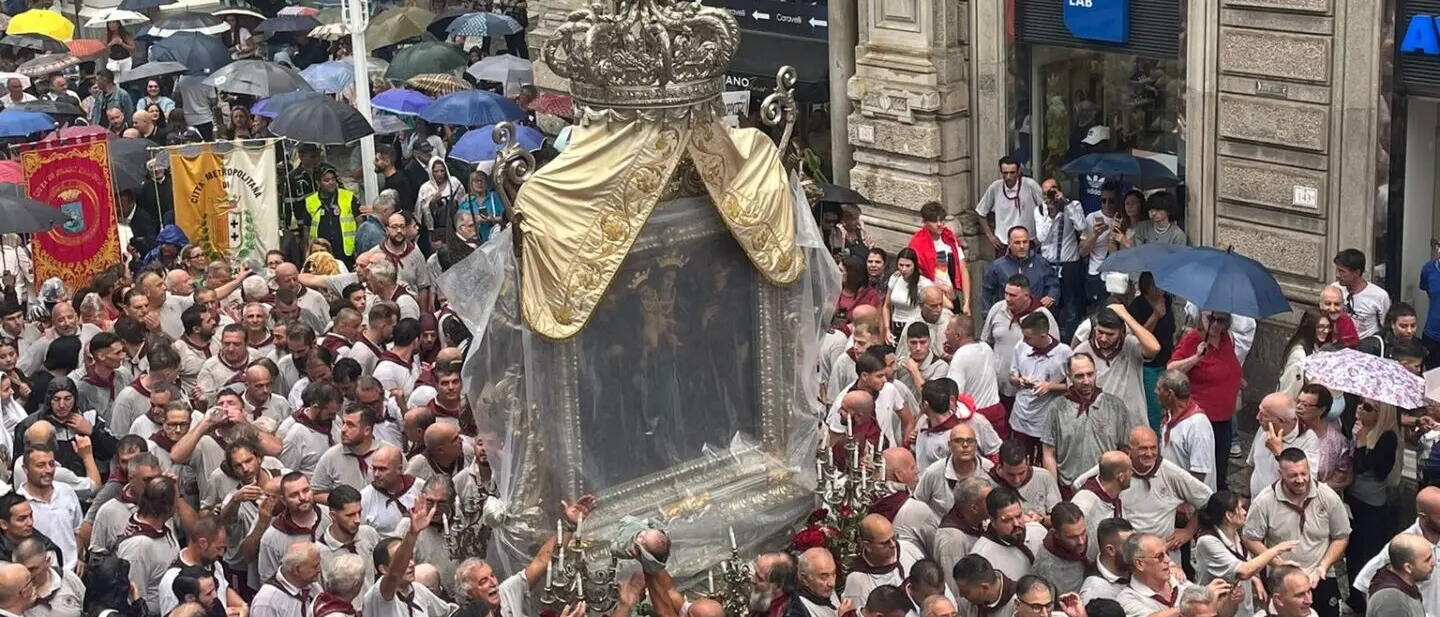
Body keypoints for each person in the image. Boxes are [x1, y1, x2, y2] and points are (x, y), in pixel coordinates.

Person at [1243, 448, 1351, 617]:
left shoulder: (1327, 497)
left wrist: (1324, 565)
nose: (1300, 480)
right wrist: (1278, 564)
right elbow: (1250, 538)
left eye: (1304, 473)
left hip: (1320, 577)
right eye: (1293, 476)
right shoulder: (1264, 501)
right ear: (1280, 474)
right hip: (1285, 583)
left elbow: (1341, 536)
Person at [1168, 311, 1244, 491]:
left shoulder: (1228, 338)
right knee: (1201, 467)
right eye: (1212, 319)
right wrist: (1195, 358)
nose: (1216, 325)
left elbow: (1229, 365)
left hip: (1224, 416)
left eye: (1222, 320)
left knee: (1220, 465)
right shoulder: (1193, 339)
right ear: (1203, 316)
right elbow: (1171, 369)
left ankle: (1216, 502)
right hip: (1202, 418)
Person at [1193, 491, 1297, 616]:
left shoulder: (1234, 534)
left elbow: (1242, 563)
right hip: (1217, 610)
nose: (1244, 512)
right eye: (1241, 508)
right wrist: (1276, 549)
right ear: (1229, 515)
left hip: (1243, 609)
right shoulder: (1207, 541)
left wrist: (1255, 579)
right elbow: (1243, 570)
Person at [905, 202, 968, 315]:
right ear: (924, 222)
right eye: (934, 221)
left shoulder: (949, 238)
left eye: (942, 220)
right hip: (930, 298)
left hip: (952, 294)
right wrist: (942, 288)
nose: (939, 224)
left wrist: (967, 301)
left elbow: (963, 269)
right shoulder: (916, 243)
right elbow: (915, 276)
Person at [975, 156, 1042, 254]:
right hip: (1004, 243)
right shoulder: (995, 187)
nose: (1008, 177)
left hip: (1027, 242)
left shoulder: (1030, 185)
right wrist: (990, 236)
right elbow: (980, 212)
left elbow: (1044, 209)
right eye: (1005, 173)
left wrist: (1040, 236)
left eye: (1012, 172)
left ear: (1019, 171)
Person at [300, 166, 358, 266]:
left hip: (347, 253)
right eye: (326, 180)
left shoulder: (348, 197)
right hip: (321, 253)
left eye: (333, 179)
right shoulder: (310, 201)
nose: (331, 182)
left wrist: (359, 251)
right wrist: (307, 257)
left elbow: (360, 222)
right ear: (318, 183)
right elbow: (306, 233)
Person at [1364, 534, 1433, 617]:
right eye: (1427, 560)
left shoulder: (1405, 584)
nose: (1434, 563)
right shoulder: (1391, 599)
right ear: (1408, 567)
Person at [1333, 248, 1390, 339]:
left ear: (1356, 273)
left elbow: (1386, 327)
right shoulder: (1334, 290)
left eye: (1342, 271)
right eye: (1337, 270)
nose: (1337, 275)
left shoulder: (1380, 296)